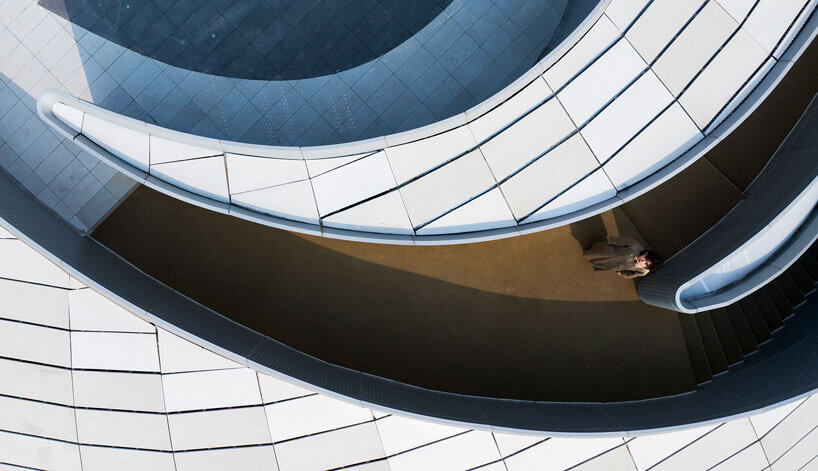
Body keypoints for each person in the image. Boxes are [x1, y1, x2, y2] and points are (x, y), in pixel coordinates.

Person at [582, 235, 662, 278]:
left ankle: (595, 262)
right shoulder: (634, 246)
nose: (642, 262)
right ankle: (590, 251)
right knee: (595, 253)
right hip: (610, 253)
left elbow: (633, 274)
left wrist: (622, 273)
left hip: (614, 265)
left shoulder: (644, 271)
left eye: (646, 264)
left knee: (602, 264)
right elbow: (621, 241)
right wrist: (612, 242)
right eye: (645, 259)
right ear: (646, 253)